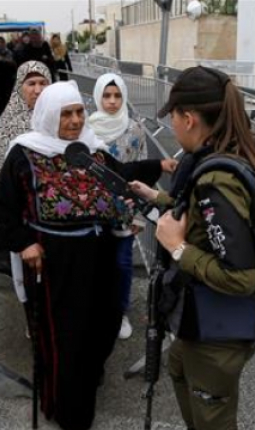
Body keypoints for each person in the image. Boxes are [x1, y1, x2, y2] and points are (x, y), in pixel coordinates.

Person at [130, 67, 255, 430]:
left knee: (214, 409)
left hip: (223, 319)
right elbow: (208, 222)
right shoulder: (233, 153)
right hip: (204, 315)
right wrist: (158, 199)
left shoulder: (217, 179)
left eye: (173, 117)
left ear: (189, 118)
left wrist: (178, 249)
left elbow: (239, 277)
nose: (172, 126)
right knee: (180, 367)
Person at [0, 82, 161, 430]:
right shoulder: (24, 153)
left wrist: (160, 166)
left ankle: (88, 379)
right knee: (64, 336)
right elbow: (4, 206)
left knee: (101, 325)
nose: (73, 120)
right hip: (53, 263)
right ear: (50, 115)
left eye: (78, 112)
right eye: (65, 114)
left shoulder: (93, 151)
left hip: (98, 256)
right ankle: (69, 411)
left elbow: (122, 177)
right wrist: (24, 243)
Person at [88, 73, 177, 339]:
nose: (113, 101)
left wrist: (138, 217)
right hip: (93, 212)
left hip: (125, 211)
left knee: (123, 263)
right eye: (106, 95)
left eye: (117, 95)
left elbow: (141, 171)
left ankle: (120, 312)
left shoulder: (135, 128)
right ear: (97, 97)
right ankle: (99, 309)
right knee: (97, 263)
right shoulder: (86, 130)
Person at [0, 61, 52, 192]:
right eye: (31, 83)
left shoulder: (61, 116)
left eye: (43, 83)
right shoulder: (8, 124)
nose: (38, 90)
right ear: (20, 87)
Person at [0, 36, 18, 116]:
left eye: (1, 42)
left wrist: (2, 59)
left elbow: (13, 65)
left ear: (4, 43)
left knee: (7, 103)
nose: (0, 44)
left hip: (7, 83)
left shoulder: (9, 53)